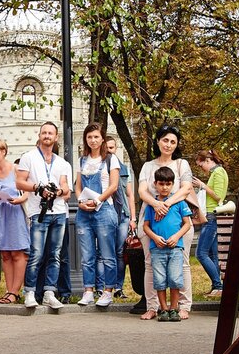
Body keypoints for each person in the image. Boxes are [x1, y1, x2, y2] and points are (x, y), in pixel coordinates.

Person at [137, 125, 194, 320]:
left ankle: (183, 306)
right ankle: (153, 306)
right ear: (158, 141)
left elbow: (186, 188)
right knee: (151, 264)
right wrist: (156, 204)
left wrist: (166, 204)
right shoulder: (148, 166)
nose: (168, 145)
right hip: (150, 219)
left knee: (182, 264)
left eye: (173, 142)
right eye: (165, 140)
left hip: (178, 219)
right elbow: (142, 191)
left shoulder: (182, 165)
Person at [16, 122, 72, 309]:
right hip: (38, 212)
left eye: (51, 133)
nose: (47, 136)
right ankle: (30, 292)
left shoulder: (62, 162)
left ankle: (49, 292)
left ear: (56, 137)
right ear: (39, 136)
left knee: (55, 255)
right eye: (44, 133)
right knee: (36, 254)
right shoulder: (29, 157)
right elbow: (19, 182)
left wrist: (56, 192)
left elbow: (66, 189)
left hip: (58, 212)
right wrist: (38, 188)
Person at [74, 122, 120, 307]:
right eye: (89, 137)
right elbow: (77, 187)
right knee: (87, 255)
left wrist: (98, 200)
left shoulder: (110, 159)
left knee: (107, 254)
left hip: (104, 210)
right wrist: (80, 201)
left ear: (102, 139)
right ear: (86, 139)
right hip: (84, 212)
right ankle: (88, 291)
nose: (93, 140)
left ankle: (108, 290)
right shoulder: (81, 160)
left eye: (96, 137)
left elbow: (114, 186)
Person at [143, 166, 192, 322]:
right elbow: (146, 226)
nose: (165, 187)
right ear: (155, 184)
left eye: (168, 184)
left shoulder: (179, 203)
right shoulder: (152, 205)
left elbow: (187, 224)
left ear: (173, 184)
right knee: (159, 279)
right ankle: (163, 309)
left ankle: (173, 308)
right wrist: (155, 238)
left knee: (175, 278)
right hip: (157, 249)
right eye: (161, 184)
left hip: (175, 248)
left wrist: (176, 237)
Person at [0, 139, 29, 304]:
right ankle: (8, 290)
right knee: (5, 254)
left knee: (18, 253)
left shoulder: (16, 169)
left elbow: (27, 193)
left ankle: (15, 291)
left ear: (4, 152)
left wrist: (19, 200)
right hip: (1, 213)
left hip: (16, 213)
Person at [193, 149, 229, 298]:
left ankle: (219, 285)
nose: (202, 169)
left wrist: (202, 185)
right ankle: (217, 287)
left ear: (208, 161)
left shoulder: (219, 172)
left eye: (201, 166)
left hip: (212, 215)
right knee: (212, 254)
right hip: (211, 215)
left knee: (200, 253)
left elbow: (219, 196)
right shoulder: (216, 173)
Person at [104, 136, 136, 299]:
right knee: (104, 252)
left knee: (119, 252)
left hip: (122, 215)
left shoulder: (124, 169)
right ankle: (102, 286)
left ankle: (118, 287)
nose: (110, 151)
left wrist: (133, 218)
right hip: (106, 214)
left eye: (112, 148)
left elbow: (130, 194)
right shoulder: (100, 167)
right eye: (107, 148)